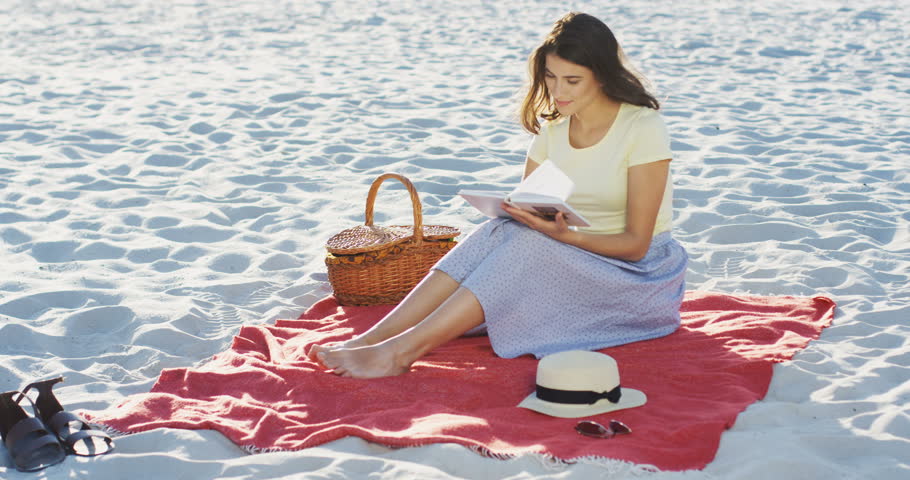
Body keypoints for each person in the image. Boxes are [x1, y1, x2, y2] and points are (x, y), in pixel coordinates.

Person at [308, 12, 688, 378]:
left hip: (637, 276)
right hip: (568, 255)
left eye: (572, 80)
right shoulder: (552, 130)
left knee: (528, 245)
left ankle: (401, 353)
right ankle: (372, 338)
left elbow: (637, 245)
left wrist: (565, 236)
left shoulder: (642, 126)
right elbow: (532, 209)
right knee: (500, 230)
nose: (557, 91)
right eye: (551, 77)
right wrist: (524, 216)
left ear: (602, 77)